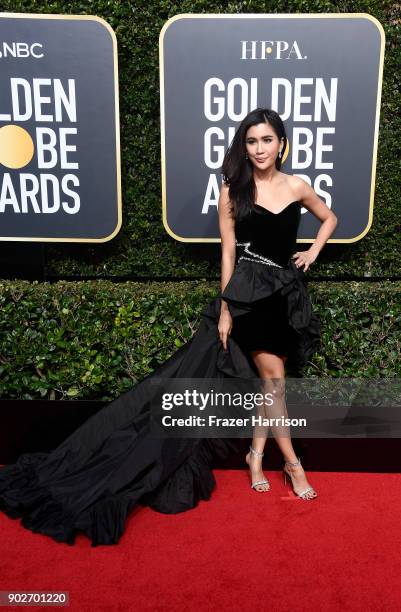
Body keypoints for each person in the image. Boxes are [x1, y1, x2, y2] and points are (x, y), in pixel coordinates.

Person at [0, 108, 337, 547]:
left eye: (267, 140)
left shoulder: (296, 186)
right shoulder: (232, 190)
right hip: (247, 298)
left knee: (266, 384)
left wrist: (312, 250)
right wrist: (225, 308)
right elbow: (228, 254)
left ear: (281, 143)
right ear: (244, 145)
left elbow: (329, 218)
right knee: (273, 382)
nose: (259, 149)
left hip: (284, 296)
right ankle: (293, 464)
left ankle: (256, 457)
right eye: (252, 141)